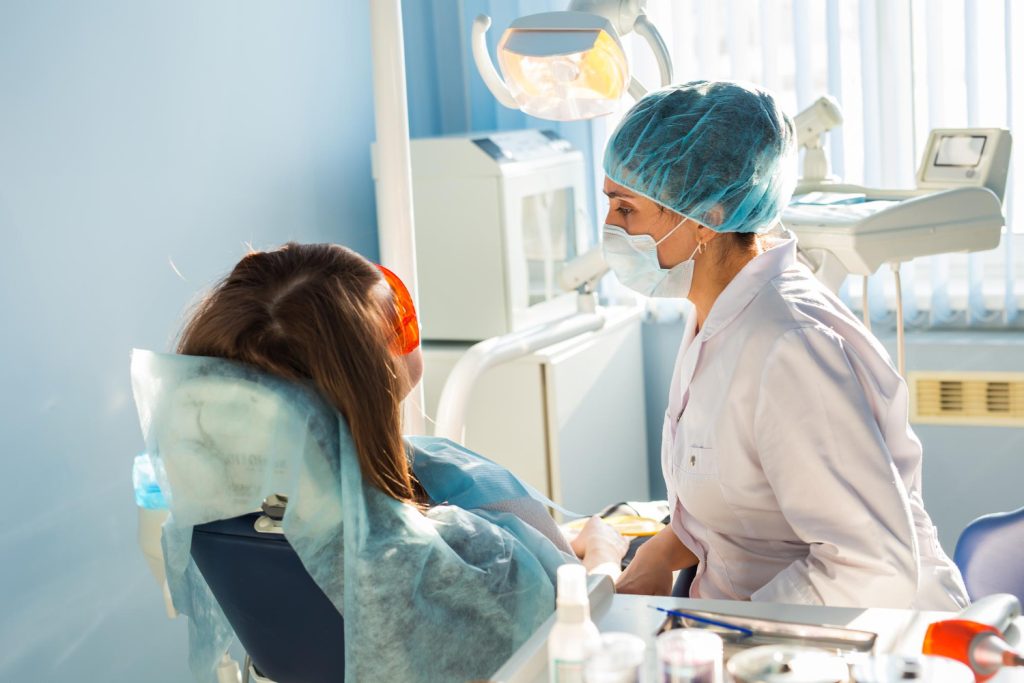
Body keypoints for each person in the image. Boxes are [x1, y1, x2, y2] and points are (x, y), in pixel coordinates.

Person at [134, 242, 627, 682]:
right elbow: (573, 624)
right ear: (366, 380)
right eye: (396, 324)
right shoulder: (439, 560)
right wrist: (604, 555)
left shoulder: (219, 526)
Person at [604, 80, 968, 609]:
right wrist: (662, 553)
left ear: (705, 215)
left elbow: (873, 569)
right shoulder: (719, 314)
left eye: (626, 208)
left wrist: (727, 633)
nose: (610, 226)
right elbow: (740, 500)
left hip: (847, 643)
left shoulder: (788, 346)